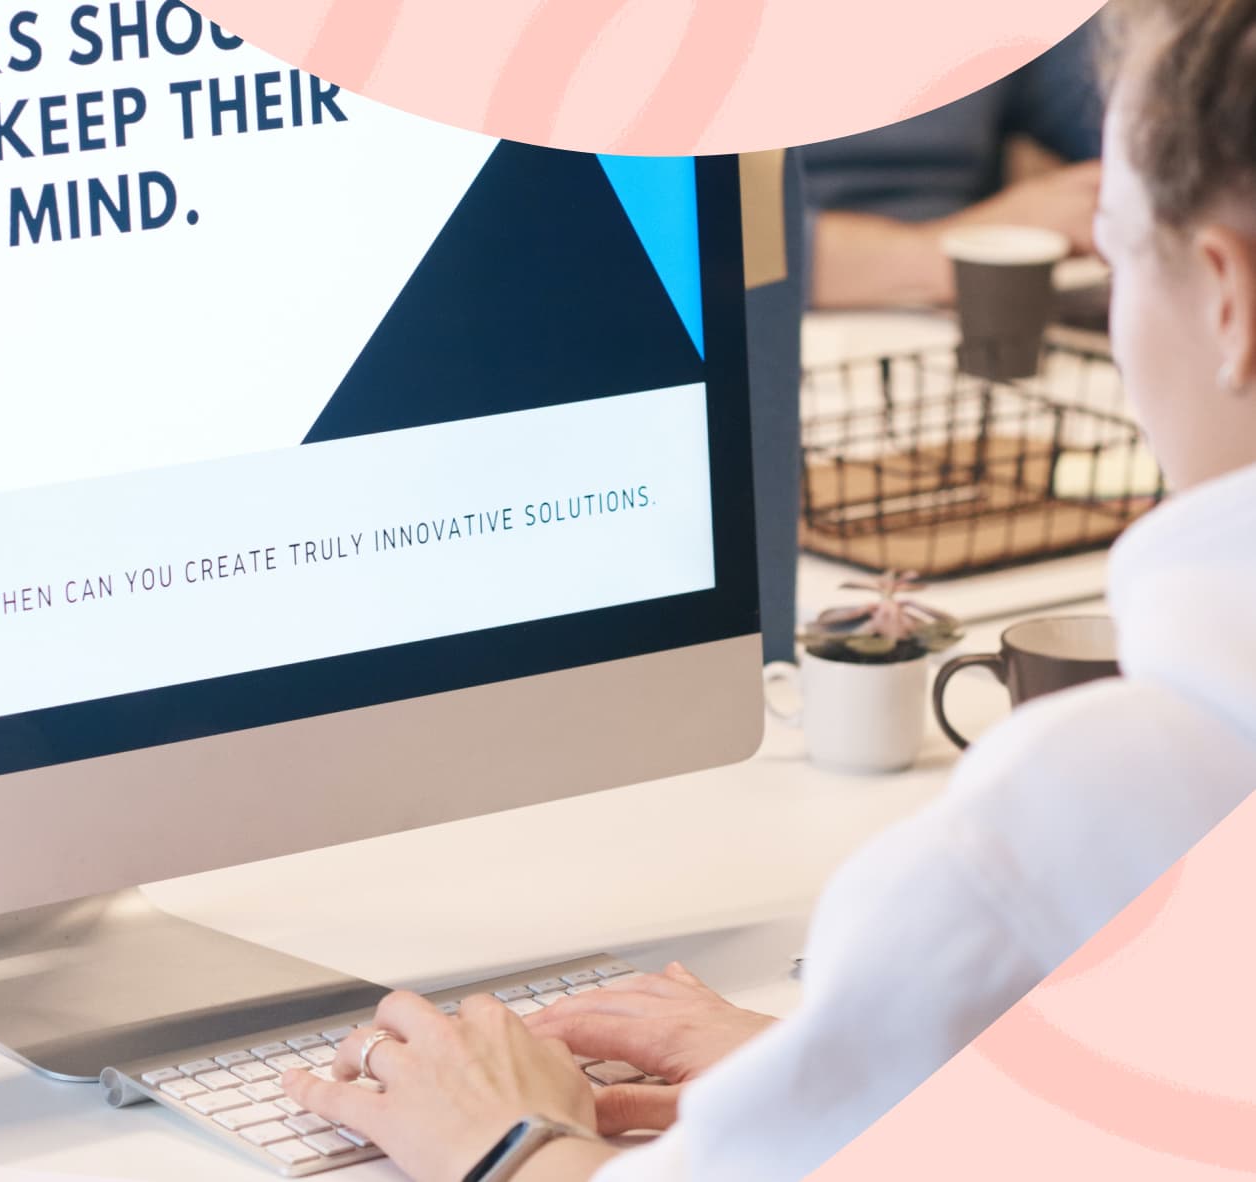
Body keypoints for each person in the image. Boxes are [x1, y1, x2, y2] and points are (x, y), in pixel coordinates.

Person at [281, 5, 1256, 1178]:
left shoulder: (1093, 815)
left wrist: (504, 1142)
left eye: (1113, 255)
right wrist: (845, 1066)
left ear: (1224, 300)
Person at [803, 21, 1103, 308]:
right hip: (803, 314)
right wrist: (966, 250)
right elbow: (774, 253)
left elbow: (1103, 114)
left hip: (974, 303)